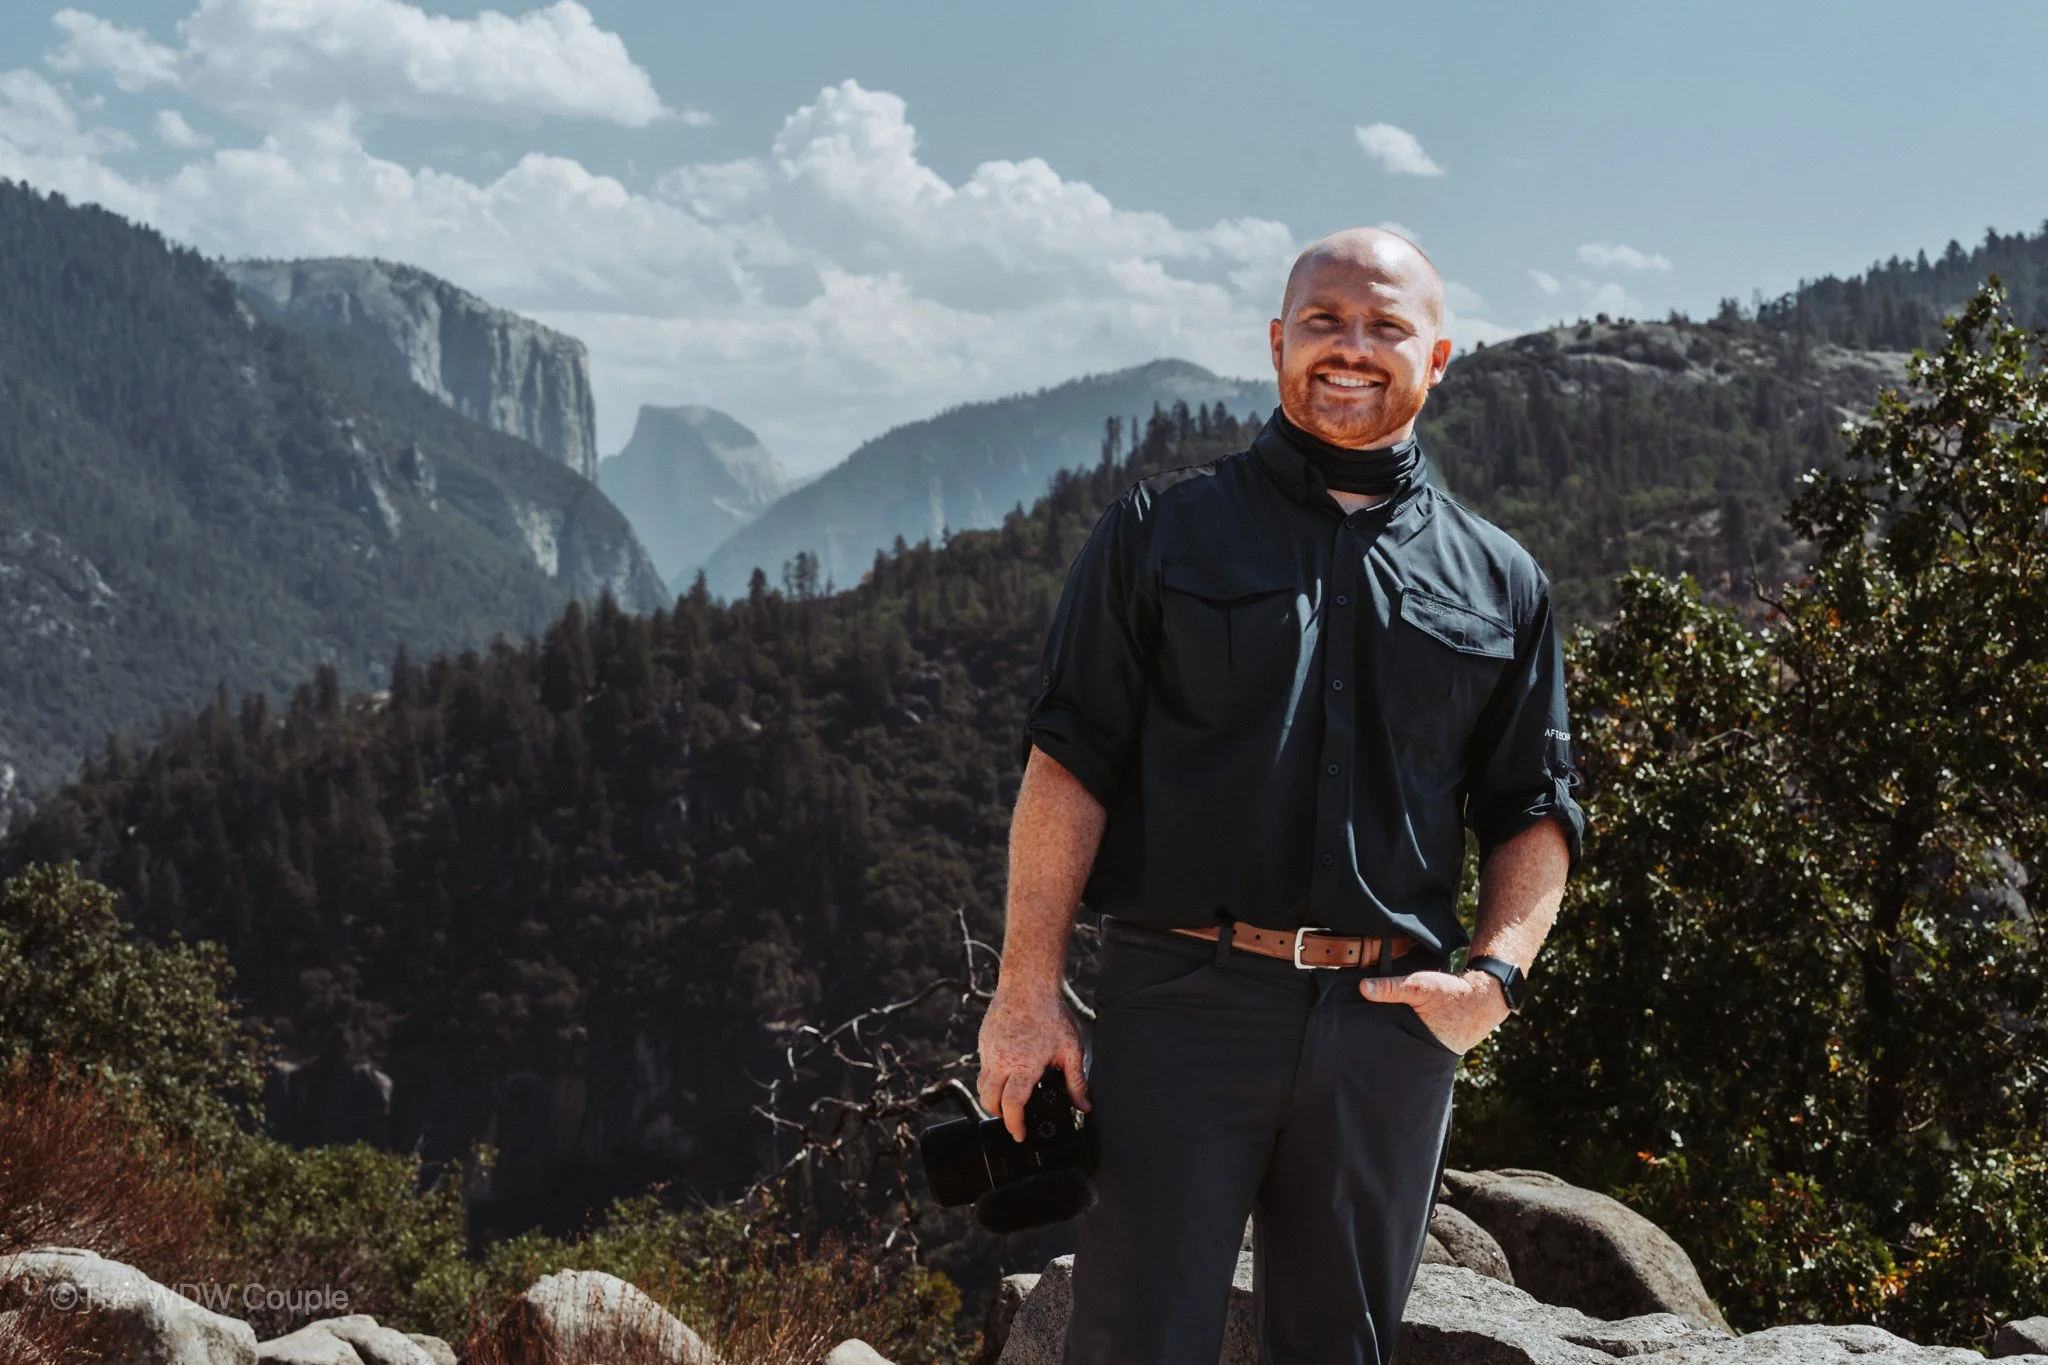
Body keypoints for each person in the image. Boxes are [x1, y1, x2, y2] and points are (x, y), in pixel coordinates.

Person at [976, 226, 1583, 1365]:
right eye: (1323, 322)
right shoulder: (1161, 533)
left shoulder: (1502, 580)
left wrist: (1493, 980)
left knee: (1340, 1352)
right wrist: (1025, 994)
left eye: (1384, 327)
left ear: (1436, 357)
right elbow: (1068, 768)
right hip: (1182, 1004)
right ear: (1274, 342)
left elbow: (1532, 813)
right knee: (1130, 1345)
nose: (1350, 349)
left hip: (1389, 1031)